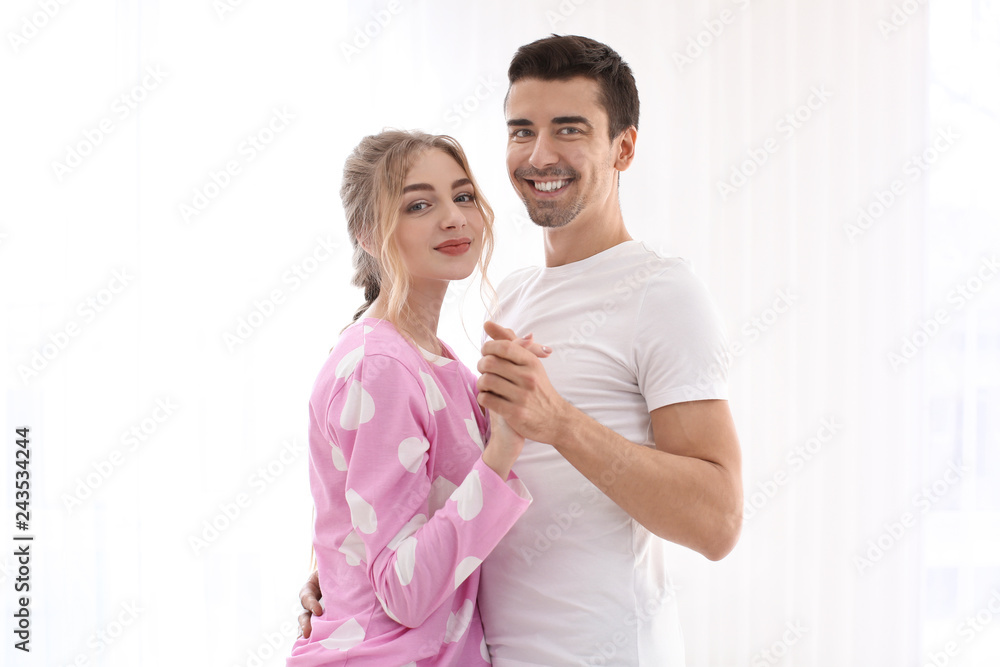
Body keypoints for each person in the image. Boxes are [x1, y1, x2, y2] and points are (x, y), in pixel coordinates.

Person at [300, 36, 742, 666]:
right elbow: (410, 476)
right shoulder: (507, 302)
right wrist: (341, 565)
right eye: (521, 130)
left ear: (624, 147)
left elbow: (718, 523)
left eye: (569, 129)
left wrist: (559, 424)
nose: (540, 154)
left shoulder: (664, 294)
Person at [286, 130, 548, 666]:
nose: (452, 217)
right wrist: (504, 446)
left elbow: (378, 533)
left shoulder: (428, 356)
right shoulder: (381, 365)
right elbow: (404, 591)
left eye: (464, 196)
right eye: (419, 205)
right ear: (366, 232)